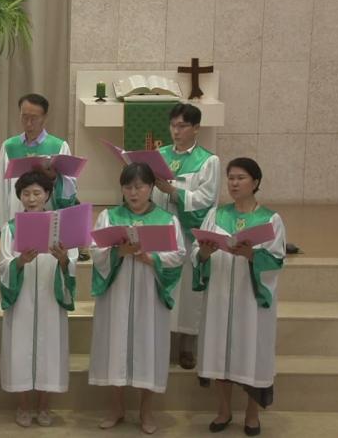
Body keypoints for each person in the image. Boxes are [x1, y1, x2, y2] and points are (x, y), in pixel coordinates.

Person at [88, 163, 186, 434]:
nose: (133, 192)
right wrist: (118, 252)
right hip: (117, 290)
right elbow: (96, 251)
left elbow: (179, 255)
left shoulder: (166, 220)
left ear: (151, 188)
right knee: (115, 345)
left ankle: (146, 411)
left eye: (139, 187)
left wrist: (151, 258)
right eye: (128, 187)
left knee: (148, 347)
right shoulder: (110, 216)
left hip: (149, 291)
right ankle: (116, 407)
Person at [193, 158, 286, 437]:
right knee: (219, 352)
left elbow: (276, 260)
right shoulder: (216, 215)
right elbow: (197, 254)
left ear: (255, 182)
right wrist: (203, 253)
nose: (234, 183)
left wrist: (252, 255)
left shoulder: (270, 219)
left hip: (251, 301)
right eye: (231, 178)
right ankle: (223, 410)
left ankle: (252, 413)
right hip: (220, 295)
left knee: (251, 354)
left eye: (240, 178)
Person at [0, 170, 77, 428]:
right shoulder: (11, 228)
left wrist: (63, 259)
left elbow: (72, 261)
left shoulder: (61, 225)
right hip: (22, 298)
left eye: (37, 193)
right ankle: (22, 405)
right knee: (20, 349)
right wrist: (20, 261)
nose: (31, 199)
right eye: (25, 194)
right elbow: (4, 264)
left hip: (50, 295)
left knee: (49, 350)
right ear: (19, 196)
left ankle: (44, 405)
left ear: (48, 194)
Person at [151, 102, 220, 369]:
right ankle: (159, 343)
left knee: (188, 292)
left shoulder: (208, 161)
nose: (176, 132)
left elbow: (206, 200)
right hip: (162, 231)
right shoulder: (159, 155)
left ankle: (186, 346)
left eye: (182, 126)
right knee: (161, 285)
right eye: (173, 126)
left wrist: (173, 192)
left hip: (188, 233)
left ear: (196, 128)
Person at [0, 93, 79, 239]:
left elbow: (70, 188)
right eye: (24, 117)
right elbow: (2, 189)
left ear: (44, 118)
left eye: (34, 118)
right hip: (17, 212)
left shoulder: (59, 146)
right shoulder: (9, 147)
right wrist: (2, 226)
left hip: (48, 214)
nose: (28, 123)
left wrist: (54, 178)